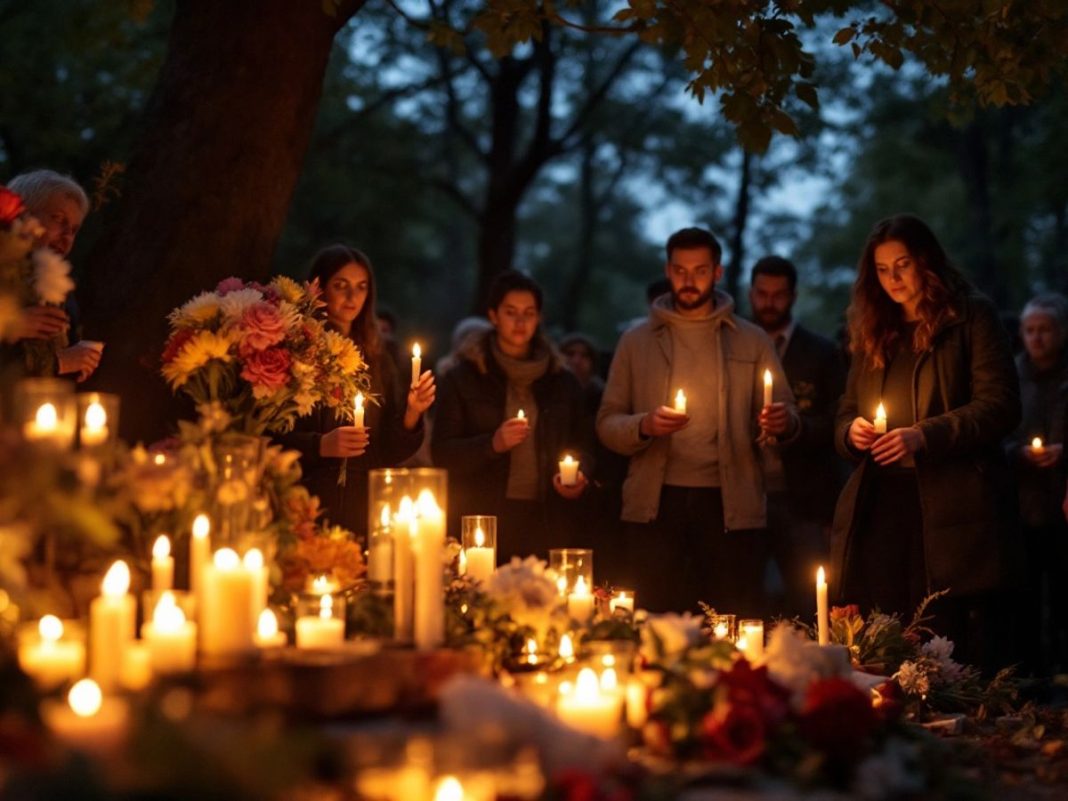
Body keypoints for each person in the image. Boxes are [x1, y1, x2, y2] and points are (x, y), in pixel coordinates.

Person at [830, 214, 1020, 669]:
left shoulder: (970, 316)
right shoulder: (874, 326)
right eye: (881, 269)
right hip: (882, 502)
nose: (892, 278)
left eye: (903, 265)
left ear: (926, 262)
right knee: (886, 629)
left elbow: (1001, 405)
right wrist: (851, 433)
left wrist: (924, 434)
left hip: (949, 505)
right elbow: (844, 411)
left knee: (944, 632)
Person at [597, 227, 799, 615]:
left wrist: (781, 423)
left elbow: (788, 415)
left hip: (729, 503)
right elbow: (606, 423)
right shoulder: (635, 342)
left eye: (700, 271)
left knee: (731, 617)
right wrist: (644, 426)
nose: (689, 281)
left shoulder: (752, 340)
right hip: (655, 503)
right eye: (680, 270)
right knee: (655, 618)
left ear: (718, 273)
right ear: (667, 270)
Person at [431, 271, 591, 560]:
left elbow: (585, 442)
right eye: (511, 312)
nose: (520, 322)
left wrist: (580, 477)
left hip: (546, 516)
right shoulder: (463, 377)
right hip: (484, 515)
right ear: (493, 315)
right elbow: (443, 452)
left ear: (539, 317)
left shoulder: (561, 381)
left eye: (529, 313)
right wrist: (492, 444)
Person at [280, 244, 436, 535]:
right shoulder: (294, 349)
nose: (353, 297)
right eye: (341, 285)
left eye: (361, 287)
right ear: (319, 288)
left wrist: (412, 414)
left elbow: (387, 451)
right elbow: (267, 436)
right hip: (303, 501)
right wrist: (319, 445)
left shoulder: (379, 357)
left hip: (362, 507)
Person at [748, 255, 846, 620]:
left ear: (793, 296)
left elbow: (837, 420)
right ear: (750, 292)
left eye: (778, 294)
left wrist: (794, 426)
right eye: (762, 293)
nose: (769, 302)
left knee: (808, 599)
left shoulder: (820, 353)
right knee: (749, 598)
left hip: (803, 496)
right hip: (746, 492)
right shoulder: (735, 346)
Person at [1006, 293, 1068, 673]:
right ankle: (1031, 677)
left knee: (1063, 597)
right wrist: (1017, 453)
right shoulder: (1011, 376)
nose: (1037, 338)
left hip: (1062, 501)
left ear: (1061, 332)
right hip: (1022, 505)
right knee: (1024, 599)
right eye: (1030, 330)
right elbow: (996, 433)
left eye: (1044, 330)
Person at [6, 169, 102, 381]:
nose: (67, 236)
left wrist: (81, 359)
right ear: (23, 214)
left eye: (74, 229)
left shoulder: (60, 289)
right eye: (58, 219)